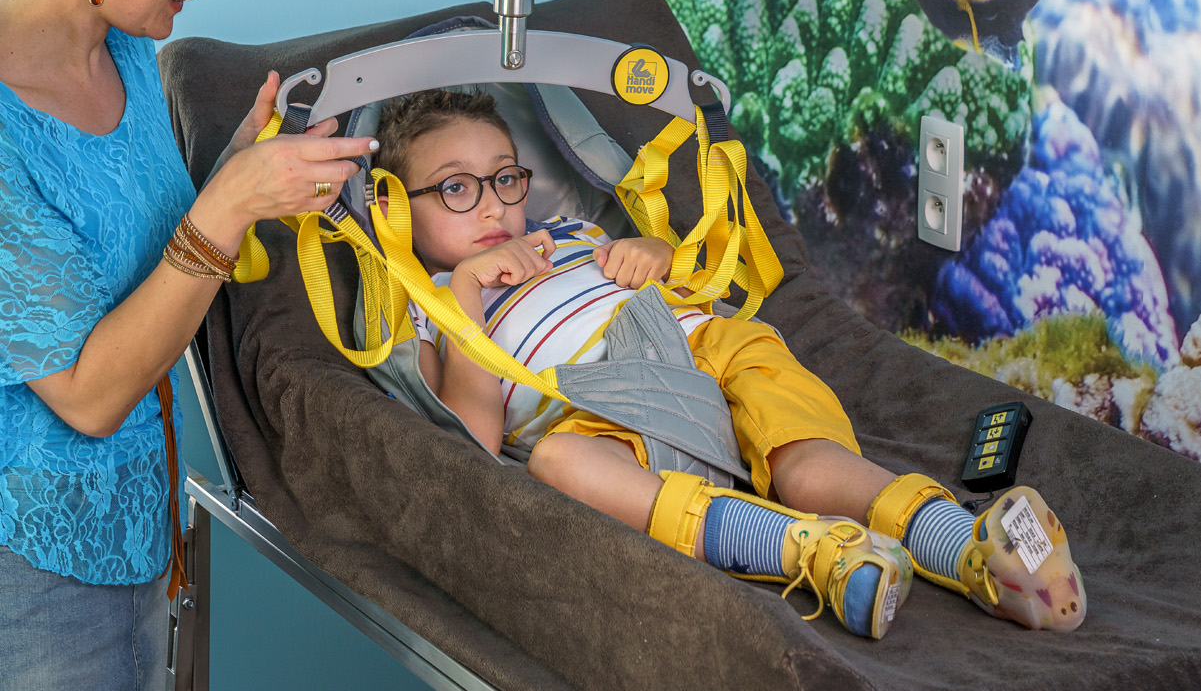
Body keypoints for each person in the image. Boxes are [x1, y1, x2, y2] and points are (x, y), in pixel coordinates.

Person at [370, 87, 1086, 642]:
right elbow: (471, 448)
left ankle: (969, 549)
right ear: (396, 211)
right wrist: (467, 293)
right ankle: (811, 553)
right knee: (557, 463)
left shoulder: (568, 233)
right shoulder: (430, 307)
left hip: (703, 347)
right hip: (605, 412)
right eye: (456, 188)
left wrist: (653, 254)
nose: (492, 207)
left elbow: (676, 276)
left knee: (806, 467)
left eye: (505, 179)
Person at [0, 0, 373, 691]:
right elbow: (88, 394)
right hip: (38, 562)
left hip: (138, 527)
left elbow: (127, 252)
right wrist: (228, 205)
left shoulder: (125, 50)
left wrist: (233, 169)